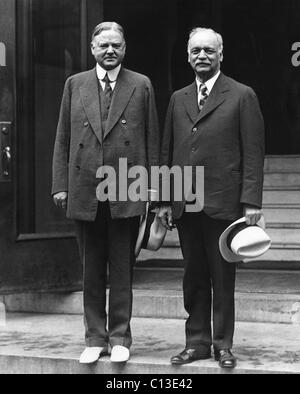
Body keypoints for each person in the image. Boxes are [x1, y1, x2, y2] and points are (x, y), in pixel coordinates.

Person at [52, 22, 159, 364]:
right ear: (92, 48)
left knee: (123, 268)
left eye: (116, 45)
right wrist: (60, 184)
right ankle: (94, 337)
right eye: (104, 46)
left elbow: (152, 139)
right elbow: (63, 138)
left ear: (125, 48)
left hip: (127, 188)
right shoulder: (75, 84)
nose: (110, 51)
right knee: (91, 269)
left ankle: (120, 337)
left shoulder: (140, 84)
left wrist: (153, 188)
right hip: (85, 188)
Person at [159, 27, 265, 369]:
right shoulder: (178, 98)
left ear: (221, 55)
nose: (202, 56)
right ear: (188, 57)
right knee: (193, 276)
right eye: (195, 51)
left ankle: (222, 345)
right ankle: (197, 343)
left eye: (208, 50)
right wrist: (164, 198)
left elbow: (253, 152)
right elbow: (168, 150)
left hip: (224, 203)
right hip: (185, 203)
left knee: (222, 277)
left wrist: (251, 202)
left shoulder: (242, 95)